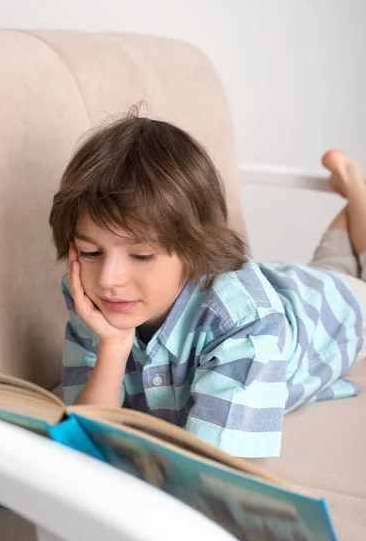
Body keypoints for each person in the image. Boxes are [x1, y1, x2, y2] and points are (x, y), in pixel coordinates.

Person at [49, 115, 365, 458]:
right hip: (285, 281)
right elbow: (84, 442)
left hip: (330, 306)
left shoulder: (245, 322)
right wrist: (113, 344)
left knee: (345, 276)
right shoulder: (93, 295)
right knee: (329, 264)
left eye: (141, 255)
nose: (109, 280)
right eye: (91, 252)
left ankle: (357, 191)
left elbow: (212, 468)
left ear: (194, 250)